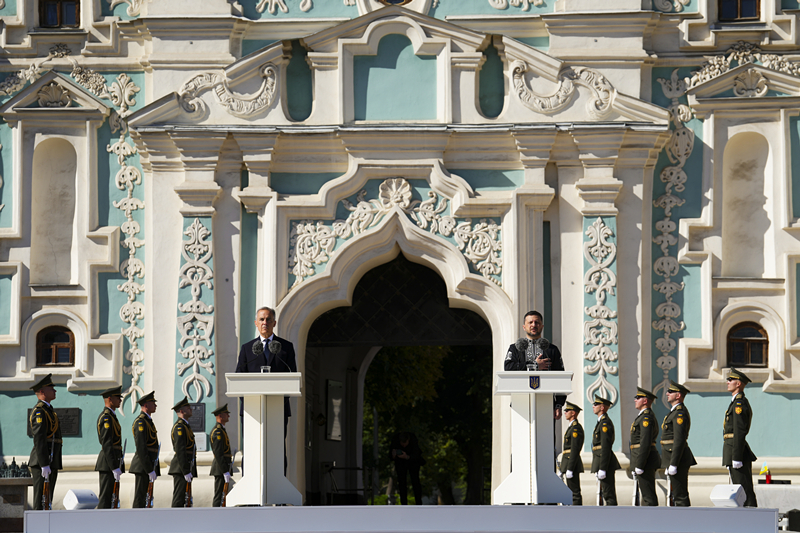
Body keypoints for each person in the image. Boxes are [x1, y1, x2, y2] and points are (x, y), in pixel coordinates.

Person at [236, 306, 297, 471]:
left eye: (268, 319)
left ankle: (279, 484)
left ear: (274, 323)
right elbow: (239, 378)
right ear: (256, 323)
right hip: (252, 410)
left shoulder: (286, 347)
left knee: (277, 448)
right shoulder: (247, 349)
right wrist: (250, 402)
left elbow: (292, 376)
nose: (265, 323)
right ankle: (248, 481)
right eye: (261, 319)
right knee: (252, 447)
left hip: (278, 408)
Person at [504, 310, 566, 419]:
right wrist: (534, 365)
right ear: (524, 327)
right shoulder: (515, 348)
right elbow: (508, 368)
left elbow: (561, 377)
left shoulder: (551, 350)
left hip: (547, 403)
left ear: (542, 326)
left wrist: (559, 404)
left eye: (537, 322)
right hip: (520, 402)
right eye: (530, 322)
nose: (534, 325)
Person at [723, 368, 757, 507]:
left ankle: (753, 521)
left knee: (744, 489)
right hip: (732, 449)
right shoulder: (734, 402)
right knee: (738, 489)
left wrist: (736, 456)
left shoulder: (739, 404)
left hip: (736, 451)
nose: (727, 382)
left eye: (731, 380)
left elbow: (739, 431)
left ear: (738, 384)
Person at [28, 374, 62, 510]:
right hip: (43, 461)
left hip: (51, 459)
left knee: (47, 501)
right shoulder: (39, 412)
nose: (55, 390)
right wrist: (44, 464)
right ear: (42, 392)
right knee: (40, 500)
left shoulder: (49, 410)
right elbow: (39, 439)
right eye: (51, 388)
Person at [661, 380, 695, 506]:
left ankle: (685, 522)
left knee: (680, 494)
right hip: (672, 457)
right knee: (676, 494)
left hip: (678, 459)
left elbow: (679, 439)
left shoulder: (680, 413)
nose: (667, 394)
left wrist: (674, 463)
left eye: (671, 391)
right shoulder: (674, 412)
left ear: (678, 395)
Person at [629, 387, 660, 506]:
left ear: (645, 401)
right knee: (645, 494)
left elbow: (645, 442)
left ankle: (653, 522)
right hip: (642, 460)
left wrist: (640, 464)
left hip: (645, 462)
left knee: (648, 495)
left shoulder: (646, 418)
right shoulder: (642, 417)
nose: (635, 400)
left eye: (638, 398)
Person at [95, 386, 124, 509]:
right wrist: (113, 467)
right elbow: (107, 444)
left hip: (113, 462)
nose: (120, 400)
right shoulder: (106, 418)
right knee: (106, 499)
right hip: (108, 464)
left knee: (112, 497)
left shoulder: (112, 416)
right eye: (118, 398)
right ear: (110, 399)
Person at [130, 391, 160, 508]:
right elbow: (142, 448)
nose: (155, 405)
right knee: (140, 497)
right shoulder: (141, 422)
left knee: (147, 497)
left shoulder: (148, 421)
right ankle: (136, 522)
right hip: (143, 465)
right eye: (153, 403)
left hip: (149, 464)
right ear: (146, 405)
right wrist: (149, 469)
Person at [169, 397, 197, 508]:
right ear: (182, 411)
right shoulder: (179, 427)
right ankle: (174, 521)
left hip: (186, 467)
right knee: (179, 498)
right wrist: (185, 471)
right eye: (188, 408)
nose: (191, 409)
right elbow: (180, 450)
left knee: (185, 498)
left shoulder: (185, 426)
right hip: (181, 468)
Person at [590, 395, 619, 506]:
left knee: (608, 494)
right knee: (605, 493)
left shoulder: (605, 423)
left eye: (596, 404)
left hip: (605, 464)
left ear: (602, 407)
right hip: (601, 462)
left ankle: (613, 519)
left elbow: (605, 447)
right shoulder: (600, 422)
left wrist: (603, 468)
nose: (593, 406)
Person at [390, 431, 425, 505]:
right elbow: (390, 454)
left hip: (413, 461)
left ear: (408, 440)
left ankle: (418, 502)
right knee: (402, 482)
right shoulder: (395, 441)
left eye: (405, 443)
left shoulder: (413, 441)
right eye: (402, 444)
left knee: (415, 481)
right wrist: (393, 455)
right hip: (400, 463)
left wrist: (407, 457)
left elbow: (417, 455)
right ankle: (404, 502)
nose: (403, 446)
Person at [560, 401, 584, 505]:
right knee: (570, 491)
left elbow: (574, 449)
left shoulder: (575, 428)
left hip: (572, 464)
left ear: (573, 413)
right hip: (568, 463)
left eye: (567, 411)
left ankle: (577, 512)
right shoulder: (571, 427)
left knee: (574, 492)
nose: (565, 412)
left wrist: (570, 468)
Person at [210, 404, 232, 507]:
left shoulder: (222, 430)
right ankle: (215, 515)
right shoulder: (217, 432)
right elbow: (218, 453)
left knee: (223, 494)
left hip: (224, 467)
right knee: (219, 495)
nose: (229, 416)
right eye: (226, 414)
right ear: (220, 416)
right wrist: (224, 471)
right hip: (220, 468)